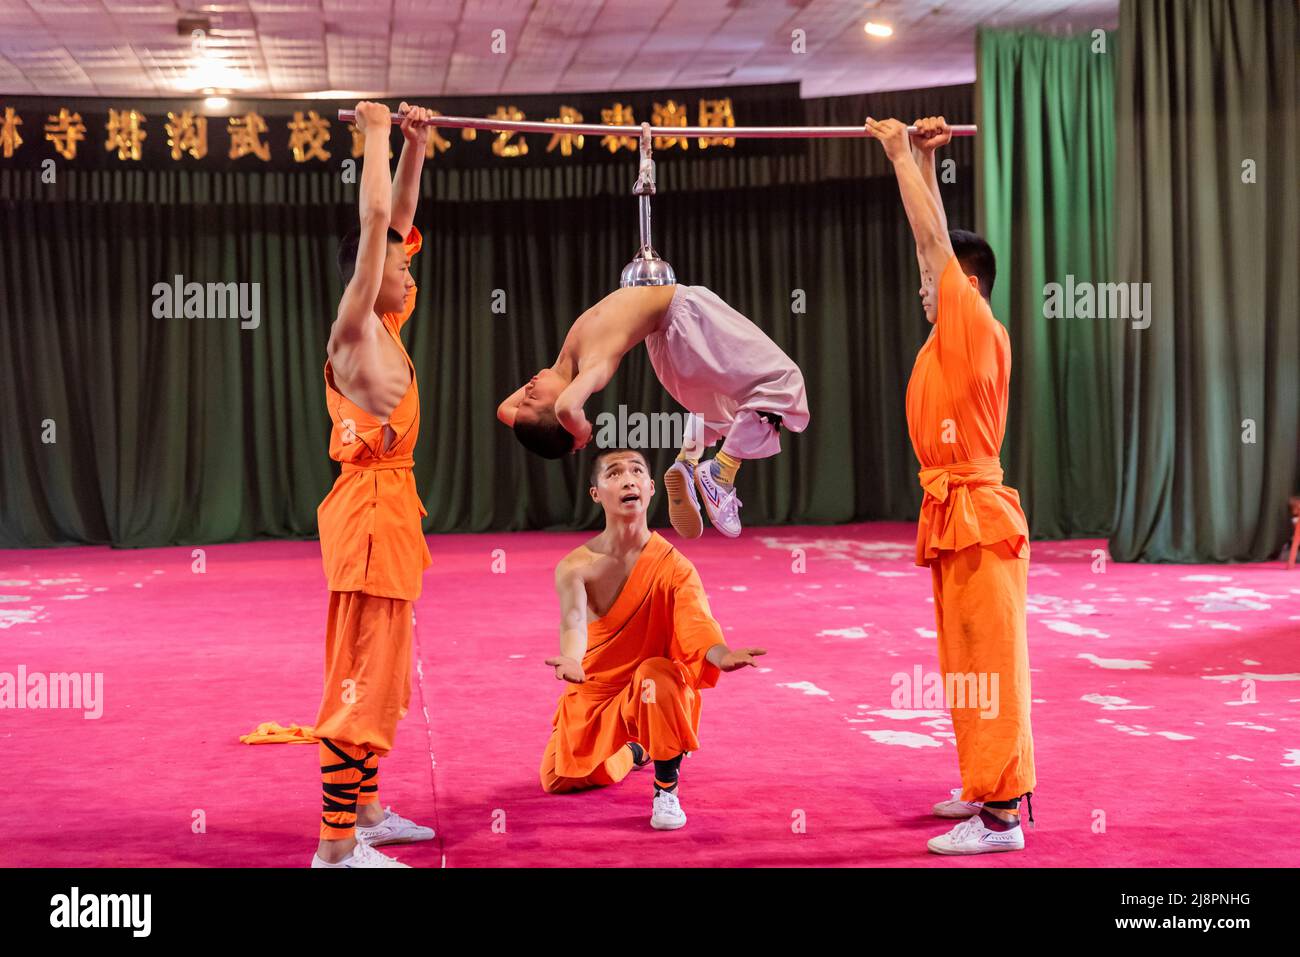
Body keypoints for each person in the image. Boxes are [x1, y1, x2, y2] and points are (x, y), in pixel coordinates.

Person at [867, 114, 1036, 855]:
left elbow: (932, 245)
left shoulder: (976, 327)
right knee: (964, 666)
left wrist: (898, 152)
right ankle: (982, 781)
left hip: (980, 516)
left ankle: (1002, 819)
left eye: (933, 283)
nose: (922, 291)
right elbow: (932, 242)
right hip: (951, 514)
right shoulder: (945, 338)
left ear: (966, 288)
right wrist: (930, 163)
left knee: (991, 665)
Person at [310, 101, 437, 868]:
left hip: (389, 519)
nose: (404, 265)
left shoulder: (390, 325)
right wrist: (377, 132)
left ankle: (365, 812)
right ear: (365, 279)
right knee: (357, 681)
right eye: (397, 266)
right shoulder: (356, 326)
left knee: (382, 679)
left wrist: (417, 142)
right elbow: (377, 221)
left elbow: (399, 217)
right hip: (365, 524)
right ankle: (333, 847)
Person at [540, 448, 767, 829]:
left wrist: (721, 654)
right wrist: (571, 658)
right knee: (559, 779)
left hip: (654, 689)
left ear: (648, 487)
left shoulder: (674, 566)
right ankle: (636, 750)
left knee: (657, 675)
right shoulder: (576, 565)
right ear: (595, 493)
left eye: (636, 472)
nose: (627, 479)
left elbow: (696, 624)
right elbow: (575, 620)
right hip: (597, 692)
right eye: (613, 473)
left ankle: (666, 791)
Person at [496, 284, 808, 539]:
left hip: (666, 341)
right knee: (782, 382)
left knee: (718, 400)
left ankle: (687, 461)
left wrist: (562, 430)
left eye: (525, 397)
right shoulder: (593, 364)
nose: (529, 389)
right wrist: (581, 433)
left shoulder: (564, 364)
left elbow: (503, 410)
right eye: (533, 400)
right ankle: (721, 473)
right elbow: (565, 408)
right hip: (686, 319)